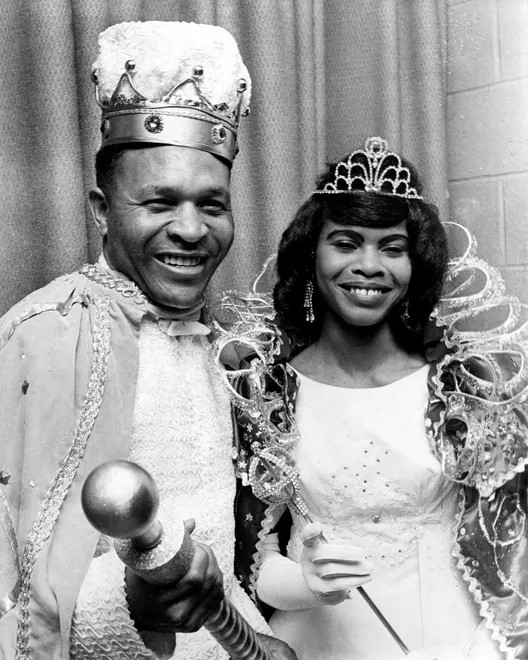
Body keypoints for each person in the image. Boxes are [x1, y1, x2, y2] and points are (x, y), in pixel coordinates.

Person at [0, 21, 296, 660]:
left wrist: (256, 640)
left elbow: (212, 563)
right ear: (102, 210)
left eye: (212, 205)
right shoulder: (43, 338)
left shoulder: (222, 350)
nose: (191, 230)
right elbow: (11, 590)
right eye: (160, 203)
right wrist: (129, 603)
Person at [223, 138, 528, 659]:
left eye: (392, 248)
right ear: (311, 255)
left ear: (416, 264)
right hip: (313, 641)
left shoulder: (460, 386)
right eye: (346, 243)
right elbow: (253, 557)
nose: (370, 265)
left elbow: (516, 545)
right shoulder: (268, 392)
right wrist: (305, 583)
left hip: (457, 643)